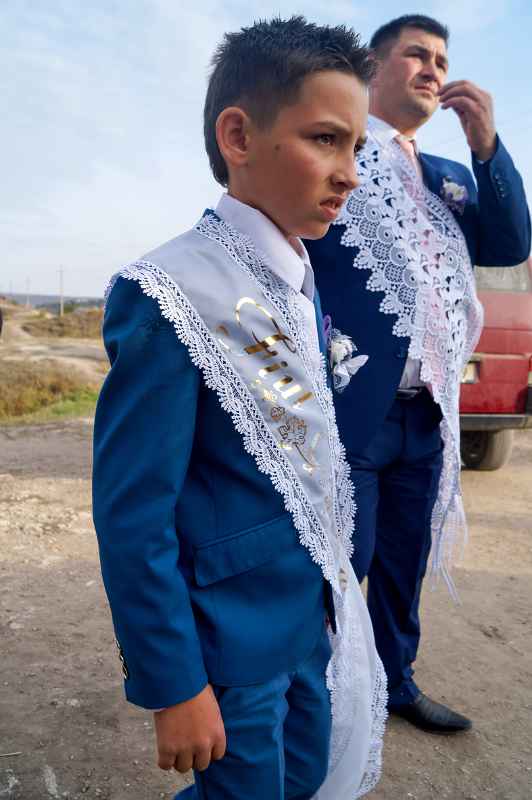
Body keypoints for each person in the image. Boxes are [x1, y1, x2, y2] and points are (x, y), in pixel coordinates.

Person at [92, 16, 387, 800]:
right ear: (238, 134)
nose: (350, 172)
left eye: (356, 147)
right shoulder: (169, 290)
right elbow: (133, 512)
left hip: (304, 621)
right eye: (327, 139)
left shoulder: (300, 277)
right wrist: (173, 684)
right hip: (226, 641)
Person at [306, 13, 531, 734]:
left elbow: (511, 240)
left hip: (429, 408)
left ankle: (396, 680)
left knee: (404, 560)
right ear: (374, 70)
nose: (433, 68)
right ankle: (318, 688)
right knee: (343, 557)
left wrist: (487, 145)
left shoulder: (450, 177)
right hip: (353, 402)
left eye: (442, 58)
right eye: (416, 55)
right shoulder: (335, 154)